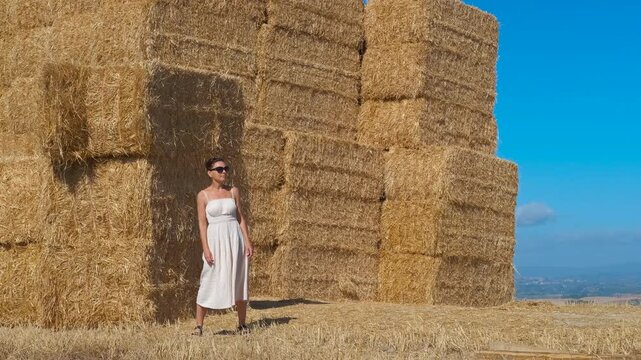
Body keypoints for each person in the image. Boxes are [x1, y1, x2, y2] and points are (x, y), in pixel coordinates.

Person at [192, 157, 253, 336]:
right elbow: (202, 224)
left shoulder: (233, 191)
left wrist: (247, 241)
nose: (224, 172)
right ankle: (198, 326)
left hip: (235, 239)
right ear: (209, 172)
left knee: (239, 280)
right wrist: (206, 248)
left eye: (226, 168)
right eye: (219, 169)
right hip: (215, 241)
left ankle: (242, 324)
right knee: (208, 279)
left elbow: (240, 218)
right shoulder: (202, 195)